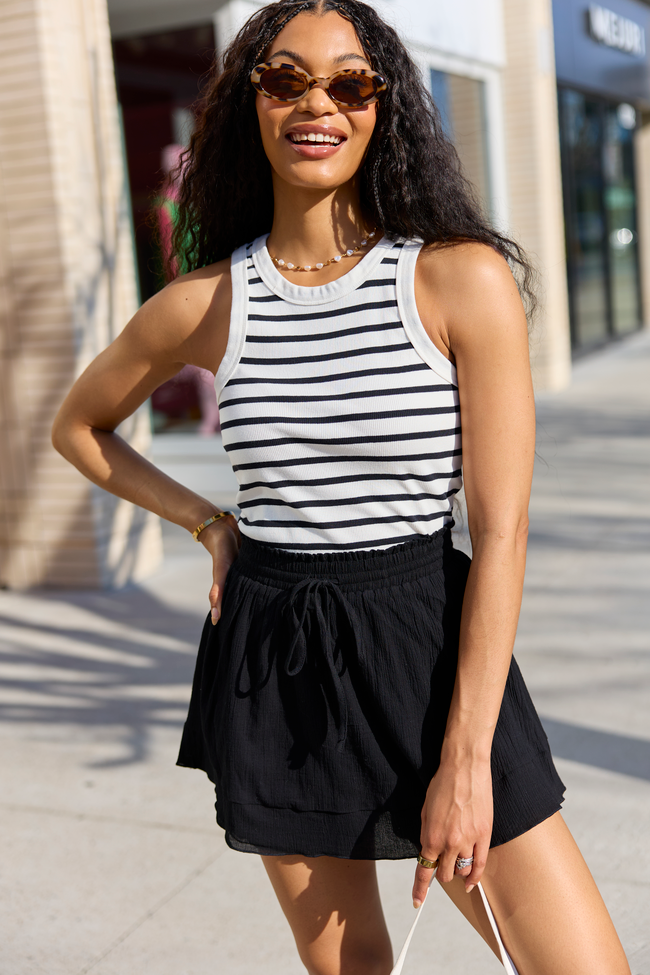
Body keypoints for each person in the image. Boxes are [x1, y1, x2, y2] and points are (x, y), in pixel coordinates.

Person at [52, 1, 630, 972]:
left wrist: (464, 759)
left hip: (424, 645)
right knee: (352, 966)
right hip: (272, 652)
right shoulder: (203, 303)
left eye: (349, 82)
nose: (316, 103)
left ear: (381, 106)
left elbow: (501, 531)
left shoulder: (457, 279)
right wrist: (207, 523)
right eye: (285, 79)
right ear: (251, 103)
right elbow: (78, 425)